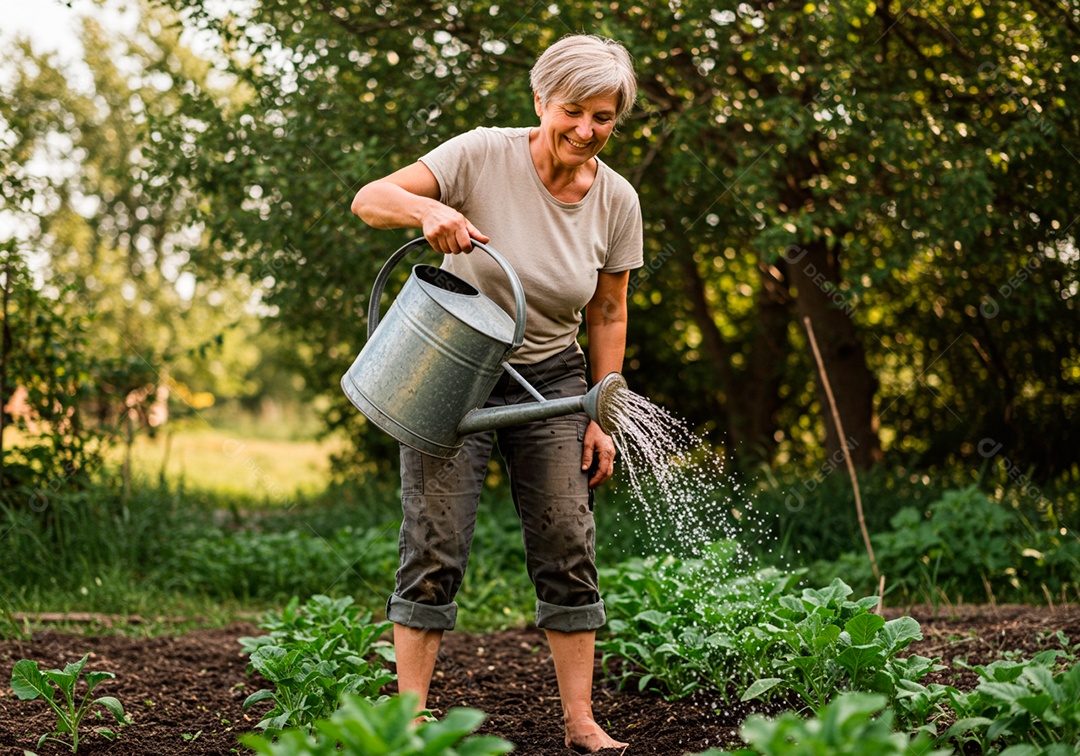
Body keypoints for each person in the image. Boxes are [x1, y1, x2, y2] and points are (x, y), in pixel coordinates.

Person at [351, 34, 642, 753]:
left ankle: (579, 721)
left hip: (550, 380)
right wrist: (426, 214)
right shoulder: (481, 153)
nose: (586, 129)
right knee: (434, 542)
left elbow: (608, 311)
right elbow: (369, 198)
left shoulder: (617, 200)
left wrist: (600, 411)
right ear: (541, 101)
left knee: (567, 541)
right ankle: (408, 722)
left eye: (603, 116)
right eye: (573, 110)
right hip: (451, 367)